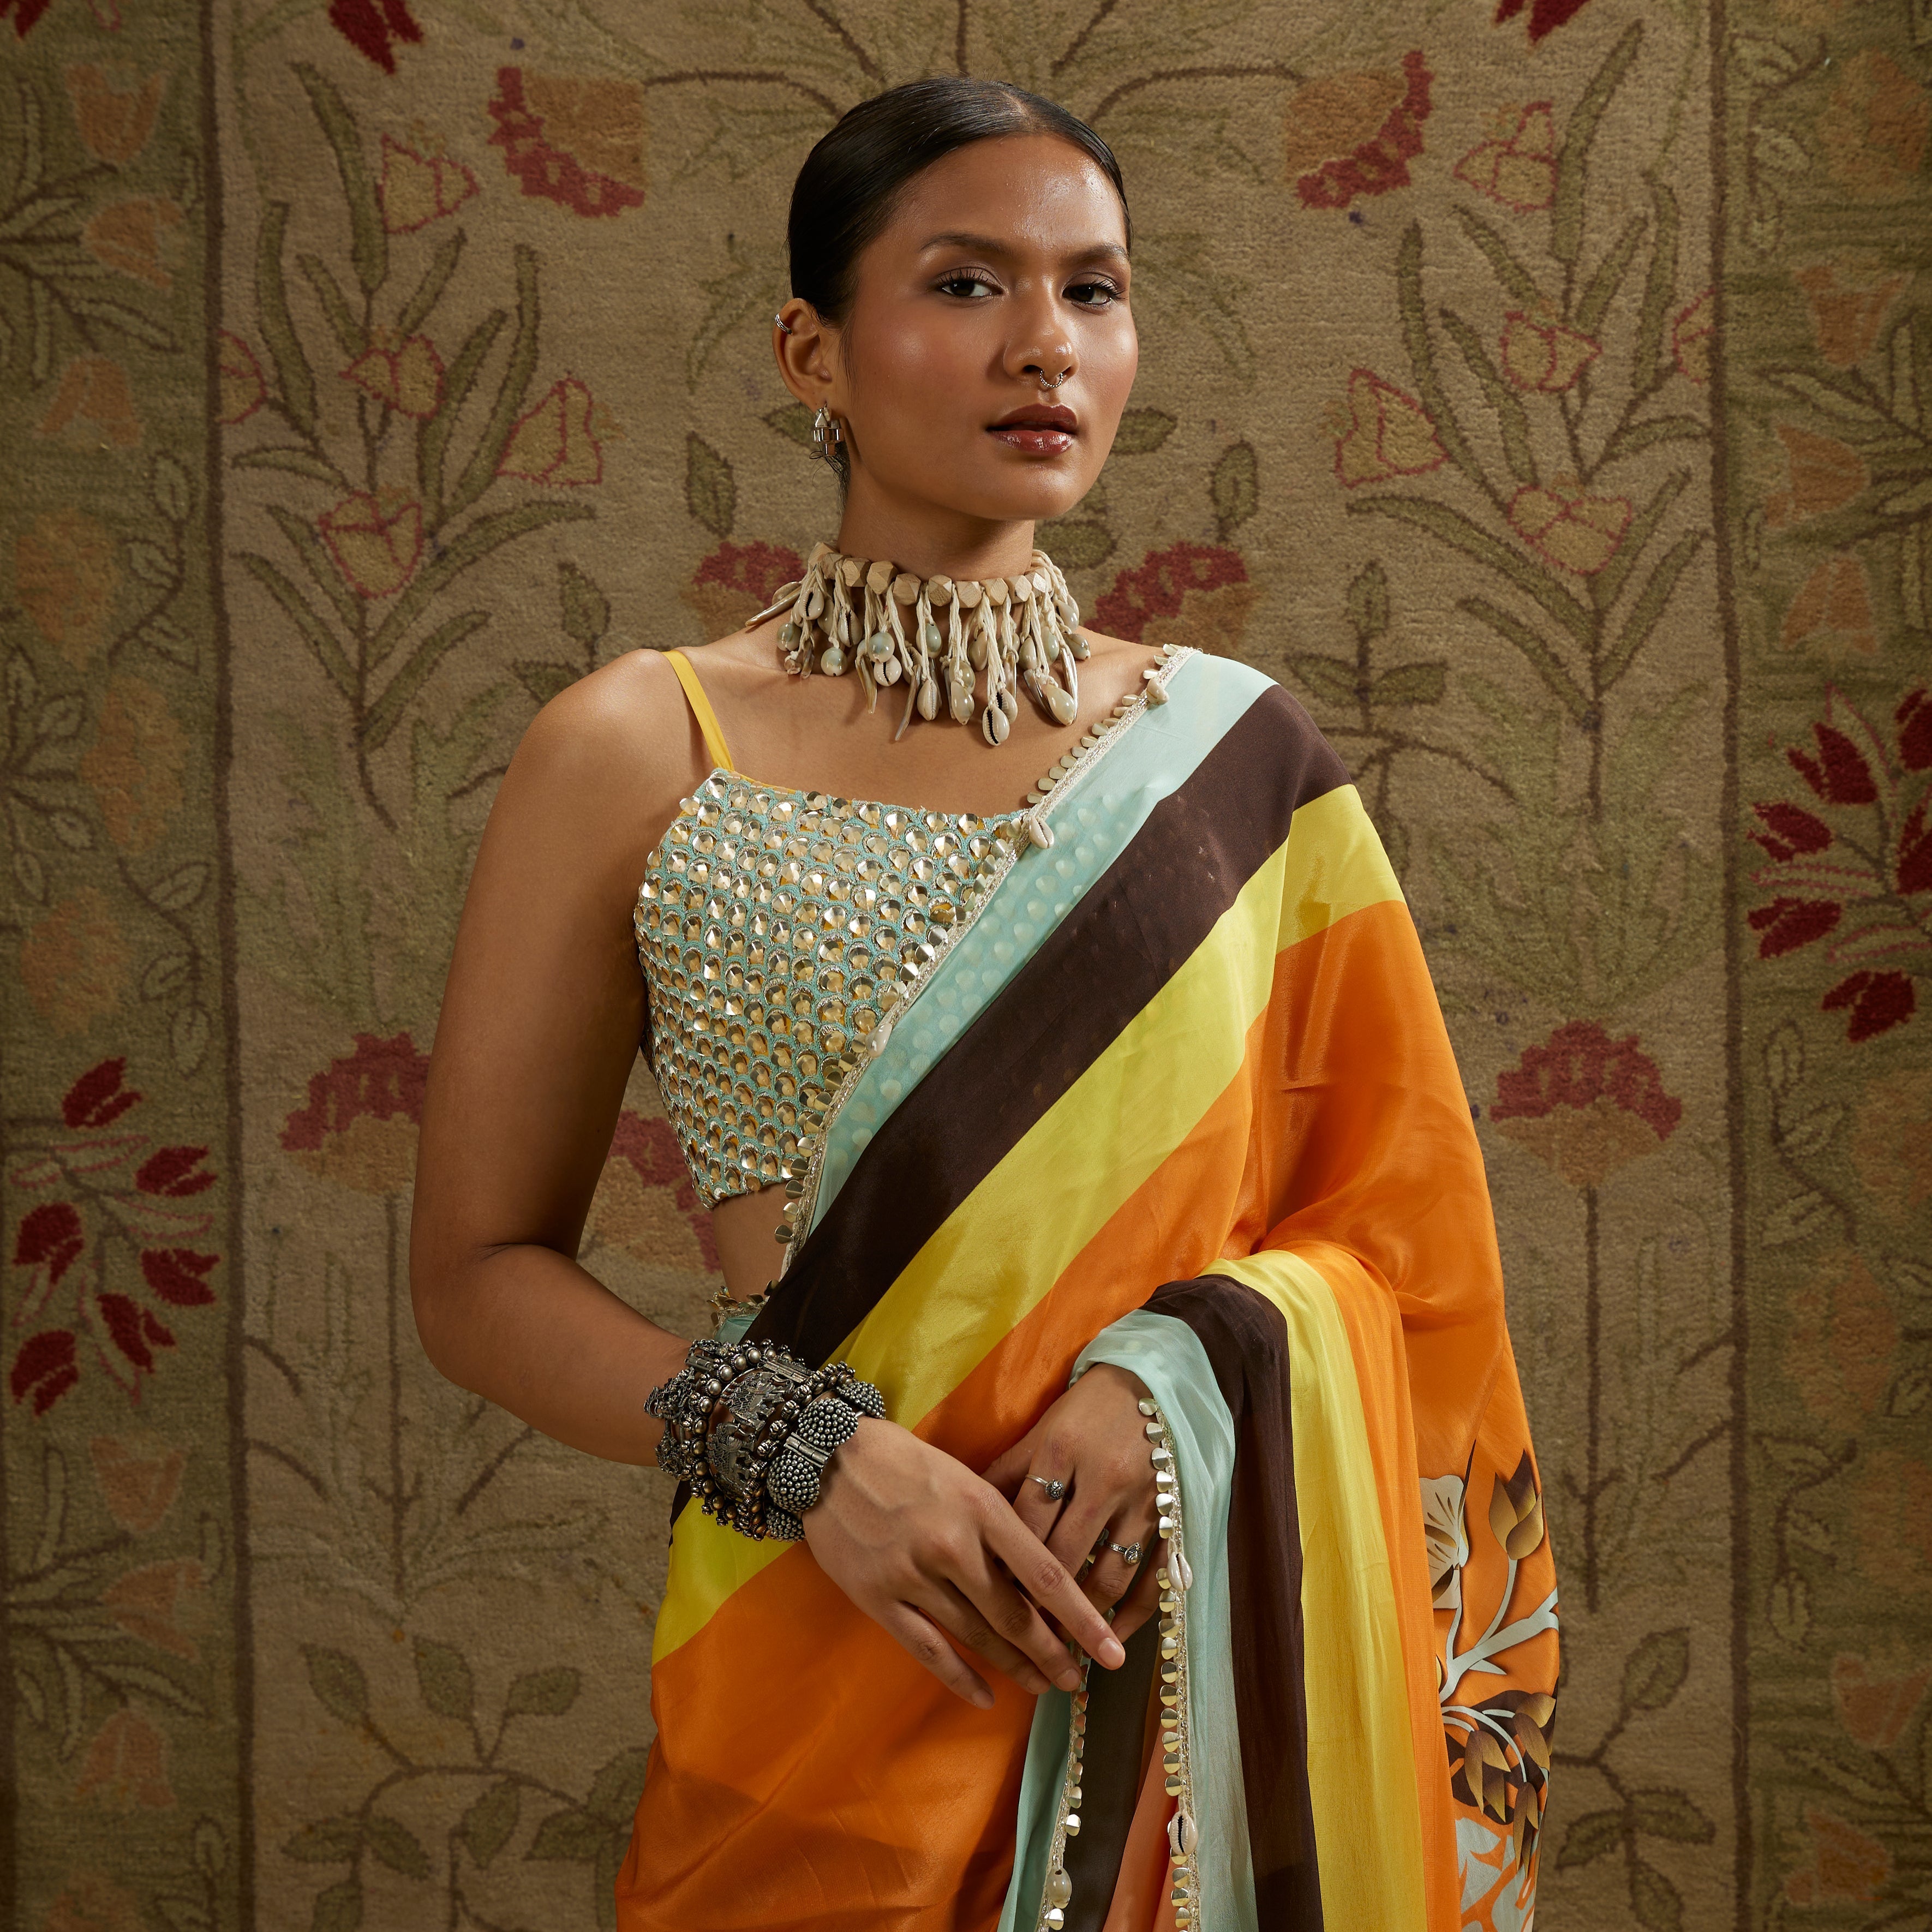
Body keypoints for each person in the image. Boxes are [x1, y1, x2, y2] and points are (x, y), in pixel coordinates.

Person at [410, 76, 1558, 1932]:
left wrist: (1171, 1375)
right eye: (965, 285)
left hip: (1170, 1663)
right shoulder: (639, 744)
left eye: (1093, 291)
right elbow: (475, 1276)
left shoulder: (1234, 763)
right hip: (815, 1660)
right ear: (814, 347)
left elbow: (1400, 1239)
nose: (1047, 346)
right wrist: (809, 1455)